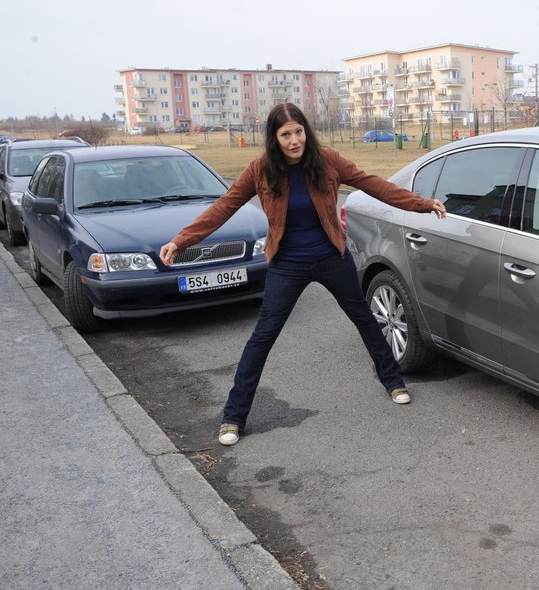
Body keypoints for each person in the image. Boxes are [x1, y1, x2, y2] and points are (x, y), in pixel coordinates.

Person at [160, 103, 446, 446]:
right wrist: (181, 240)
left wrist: (421, 203)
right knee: (262, 336)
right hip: (287, 264)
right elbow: (224, 207)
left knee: (363, 317)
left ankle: (393, 380)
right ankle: (233, 416)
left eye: (298, 132)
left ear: (305, 131)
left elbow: (374, 185)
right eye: (286, 135)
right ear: (275, 138)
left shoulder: (326, 161)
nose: (294, 140)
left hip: (330, 256)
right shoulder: (260, 170)